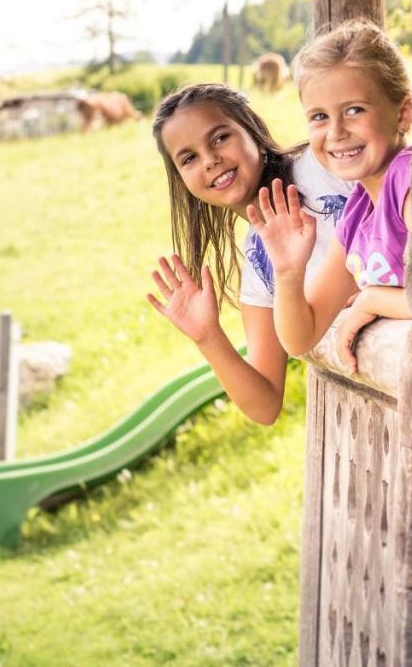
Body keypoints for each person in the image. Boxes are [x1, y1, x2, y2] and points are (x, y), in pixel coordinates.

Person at [146, 83, 353, 424]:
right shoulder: (260, 263)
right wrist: (208, 337)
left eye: (220, 138)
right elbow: (264, 406)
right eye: (189, 158)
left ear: (253, 132)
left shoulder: (324, 167)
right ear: (181, 179)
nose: (210, 160)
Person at [249, 19, 412, 374]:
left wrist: (373, 298)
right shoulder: (359, 210)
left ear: (403, 114)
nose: (336, 132)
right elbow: (300, 337)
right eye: (320, 116)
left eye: (354, 110)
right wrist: (289, 271)